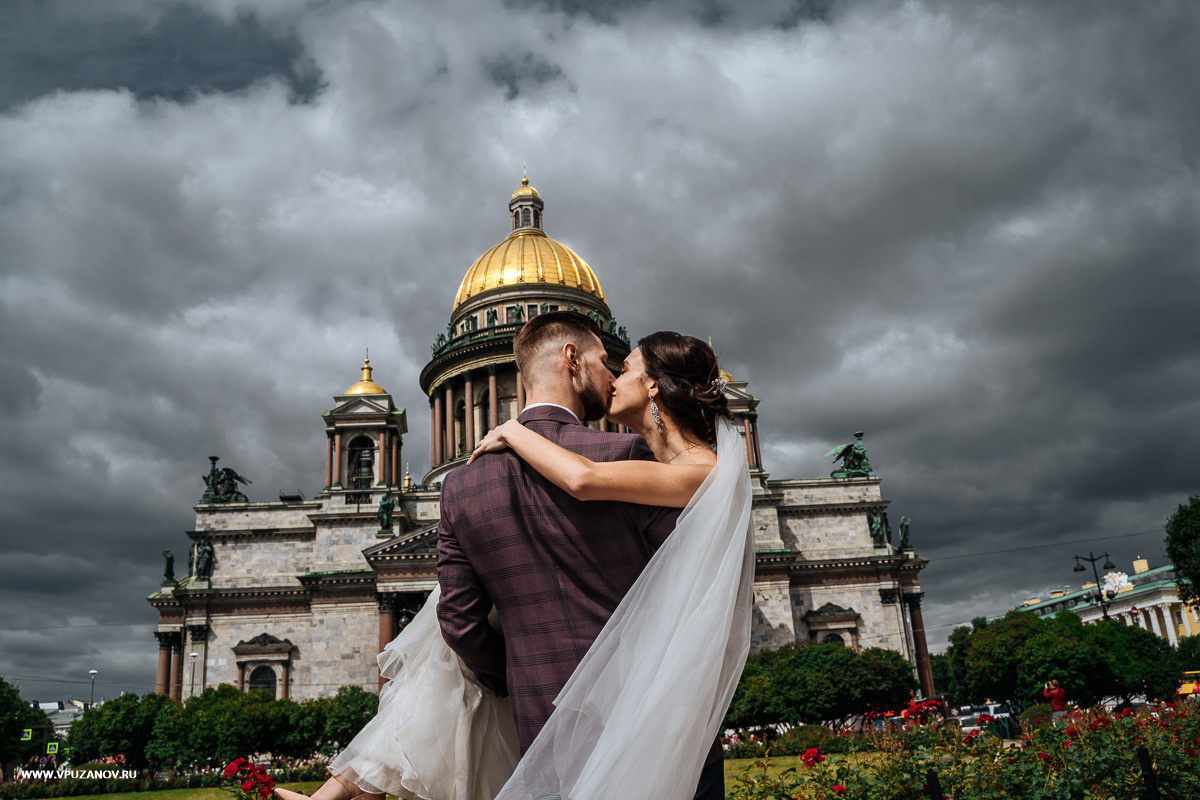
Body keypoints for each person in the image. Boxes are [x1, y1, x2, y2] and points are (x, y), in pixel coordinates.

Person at [277, 314, 752, 800]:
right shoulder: (631, 454)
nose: (612, 377)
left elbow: (458, 620)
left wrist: (515, 677)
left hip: (537, 719)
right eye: (607, 361)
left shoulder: (462, 486)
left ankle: (347, 785)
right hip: (655, 713)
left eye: (623, 368)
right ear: (572, 359)